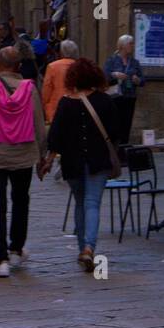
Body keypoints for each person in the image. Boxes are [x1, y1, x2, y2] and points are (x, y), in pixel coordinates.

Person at [0, 47, 46, 277]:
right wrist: (42, 154)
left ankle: (1, 259)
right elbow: (39, 124)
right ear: (18, 66)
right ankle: (16, 246)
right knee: (21, 200)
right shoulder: (30, 88)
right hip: (23, 155)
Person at [43, 59, 120, 273]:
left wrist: (48, 160)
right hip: (98, 159)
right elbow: (115, 132)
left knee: (80, 203)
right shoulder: (105, 101)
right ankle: (89, 247)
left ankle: (82, 248)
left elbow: (55, 137)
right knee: (92, 203)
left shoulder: (66, 103)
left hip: (73, 161)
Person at [103, 33, 145, 143]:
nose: (133, 46)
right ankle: (114, 150)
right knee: (115, 125)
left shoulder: (135, 62)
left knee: (126, 125)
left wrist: (138, 80)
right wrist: (114, 75)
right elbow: (104, 77)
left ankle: (123, 150)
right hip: (115, 98)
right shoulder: (111, 60)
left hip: (129, 97)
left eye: (133, 43)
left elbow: (143, 80)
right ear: (122, 46)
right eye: (130, 43)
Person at [42, 39, 79, 122]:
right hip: (77, 106)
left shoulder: (52, 66)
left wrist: (44, 104)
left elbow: (46, 89)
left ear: (61, 52)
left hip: (55, 108)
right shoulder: (80, 66)